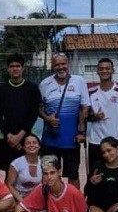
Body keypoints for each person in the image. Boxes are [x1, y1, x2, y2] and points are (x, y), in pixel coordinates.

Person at [38, 53, 90, 187]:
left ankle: (74, 204)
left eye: (63, 64)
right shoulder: (44, 84)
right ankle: (52, 204)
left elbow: (85, 107)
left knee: (73, 175)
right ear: (52, 66)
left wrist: (81, 131)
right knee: (50, 176)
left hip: (71, 140)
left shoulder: (79, 81)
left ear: (68, 64)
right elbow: (38, 109)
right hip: (50, 140)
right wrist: (48, 119)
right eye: (57, 65)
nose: (61, 67)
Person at [0, 53, 42, 174]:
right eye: (12, 66)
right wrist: (8, 135)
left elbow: (34, 114)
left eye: (18, 66)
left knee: (27, 171)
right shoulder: (1, 89)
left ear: (23, 68)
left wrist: (20, 135)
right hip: (6, 139)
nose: (15, 68)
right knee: (9, 172)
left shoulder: (32, 88)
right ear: (8, 69)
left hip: (26, 137)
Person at [86, 57, 118, 169]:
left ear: (112, 71)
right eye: (101, 69)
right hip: (96, 141)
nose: (104, 71)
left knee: (116, 174)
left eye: (107, 68)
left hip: (115, 140)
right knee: (96, 175)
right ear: (97, 71)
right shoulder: (91, 91)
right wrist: (94, 117)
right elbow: (86, 116)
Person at [5, 134, 43, 203]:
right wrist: (22, 201)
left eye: (34, 142)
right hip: (18, 198)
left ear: (39, 146)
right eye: (28, 143)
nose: (31, 145)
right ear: (24, 147)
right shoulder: (16, 163)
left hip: (36, 199)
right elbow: (9, 185)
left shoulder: (43, 164)